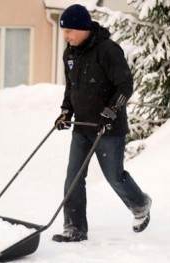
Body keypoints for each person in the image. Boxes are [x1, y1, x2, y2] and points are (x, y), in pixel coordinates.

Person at [53, 4, 152, 242]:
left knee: (114, 176)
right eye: (63, 31)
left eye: (69, 31)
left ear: (84, 28)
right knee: (74, 177)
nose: (65, 36)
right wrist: (66, 112)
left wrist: (111, 111)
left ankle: (140, 204)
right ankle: (74, 228)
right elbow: (71, 88)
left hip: (109, 128)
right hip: (82, 127)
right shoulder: (70, 53)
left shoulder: (107, 50)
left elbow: (125, 86)